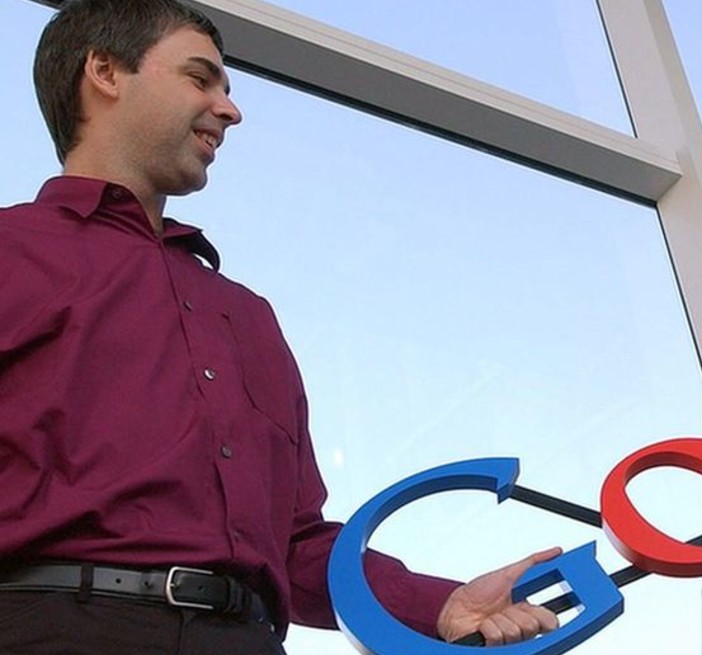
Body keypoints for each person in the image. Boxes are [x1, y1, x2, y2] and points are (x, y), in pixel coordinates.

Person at [0, 1, 558, 652]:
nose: (229, 109)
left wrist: (440, 603)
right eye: (199, 78)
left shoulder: (246, 316)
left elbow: (292, 543)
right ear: (105, 72)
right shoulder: (13, 253)